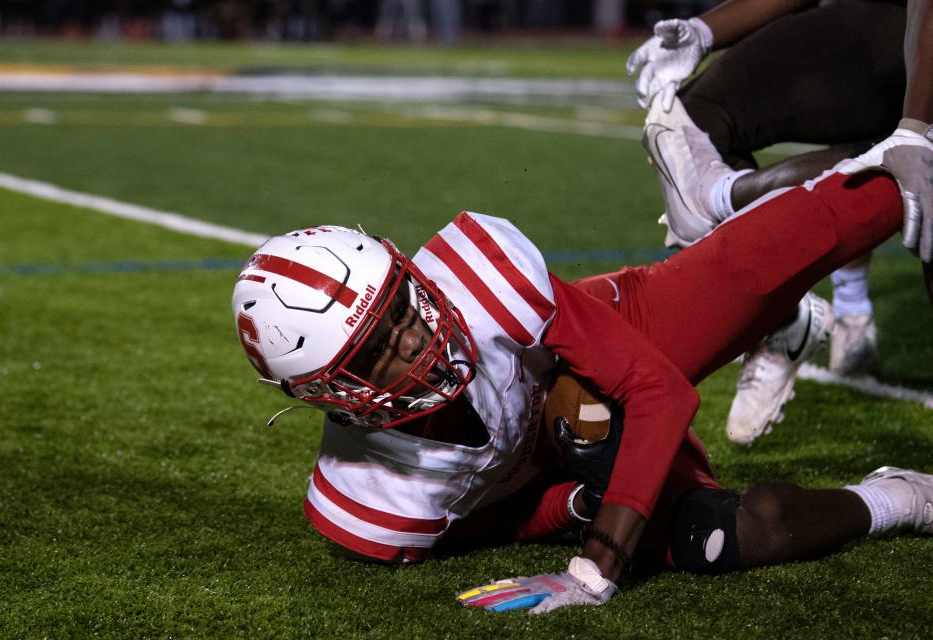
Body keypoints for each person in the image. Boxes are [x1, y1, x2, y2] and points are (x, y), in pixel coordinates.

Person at [231, 150, 932, 613]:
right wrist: (576, 505)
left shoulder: (482, 283)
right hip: (567, 462)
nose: (414, 336)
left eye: (399, 305)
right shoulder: (372, 503)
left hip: (588, 350)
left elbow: (657, 390)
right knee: (747, 532)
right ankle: (904, 497)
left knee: (799, 237)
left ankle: (901, 163)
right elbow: (485, 524)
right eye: (375, 351)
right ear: (329, 396)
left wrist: (597, 563)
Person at [626, 0, 932, 444]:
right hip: (886, 19)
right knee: (688, 123)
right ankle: (780, 317)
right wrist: (704, 30)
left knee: (919, 157)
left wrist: (916, 126)